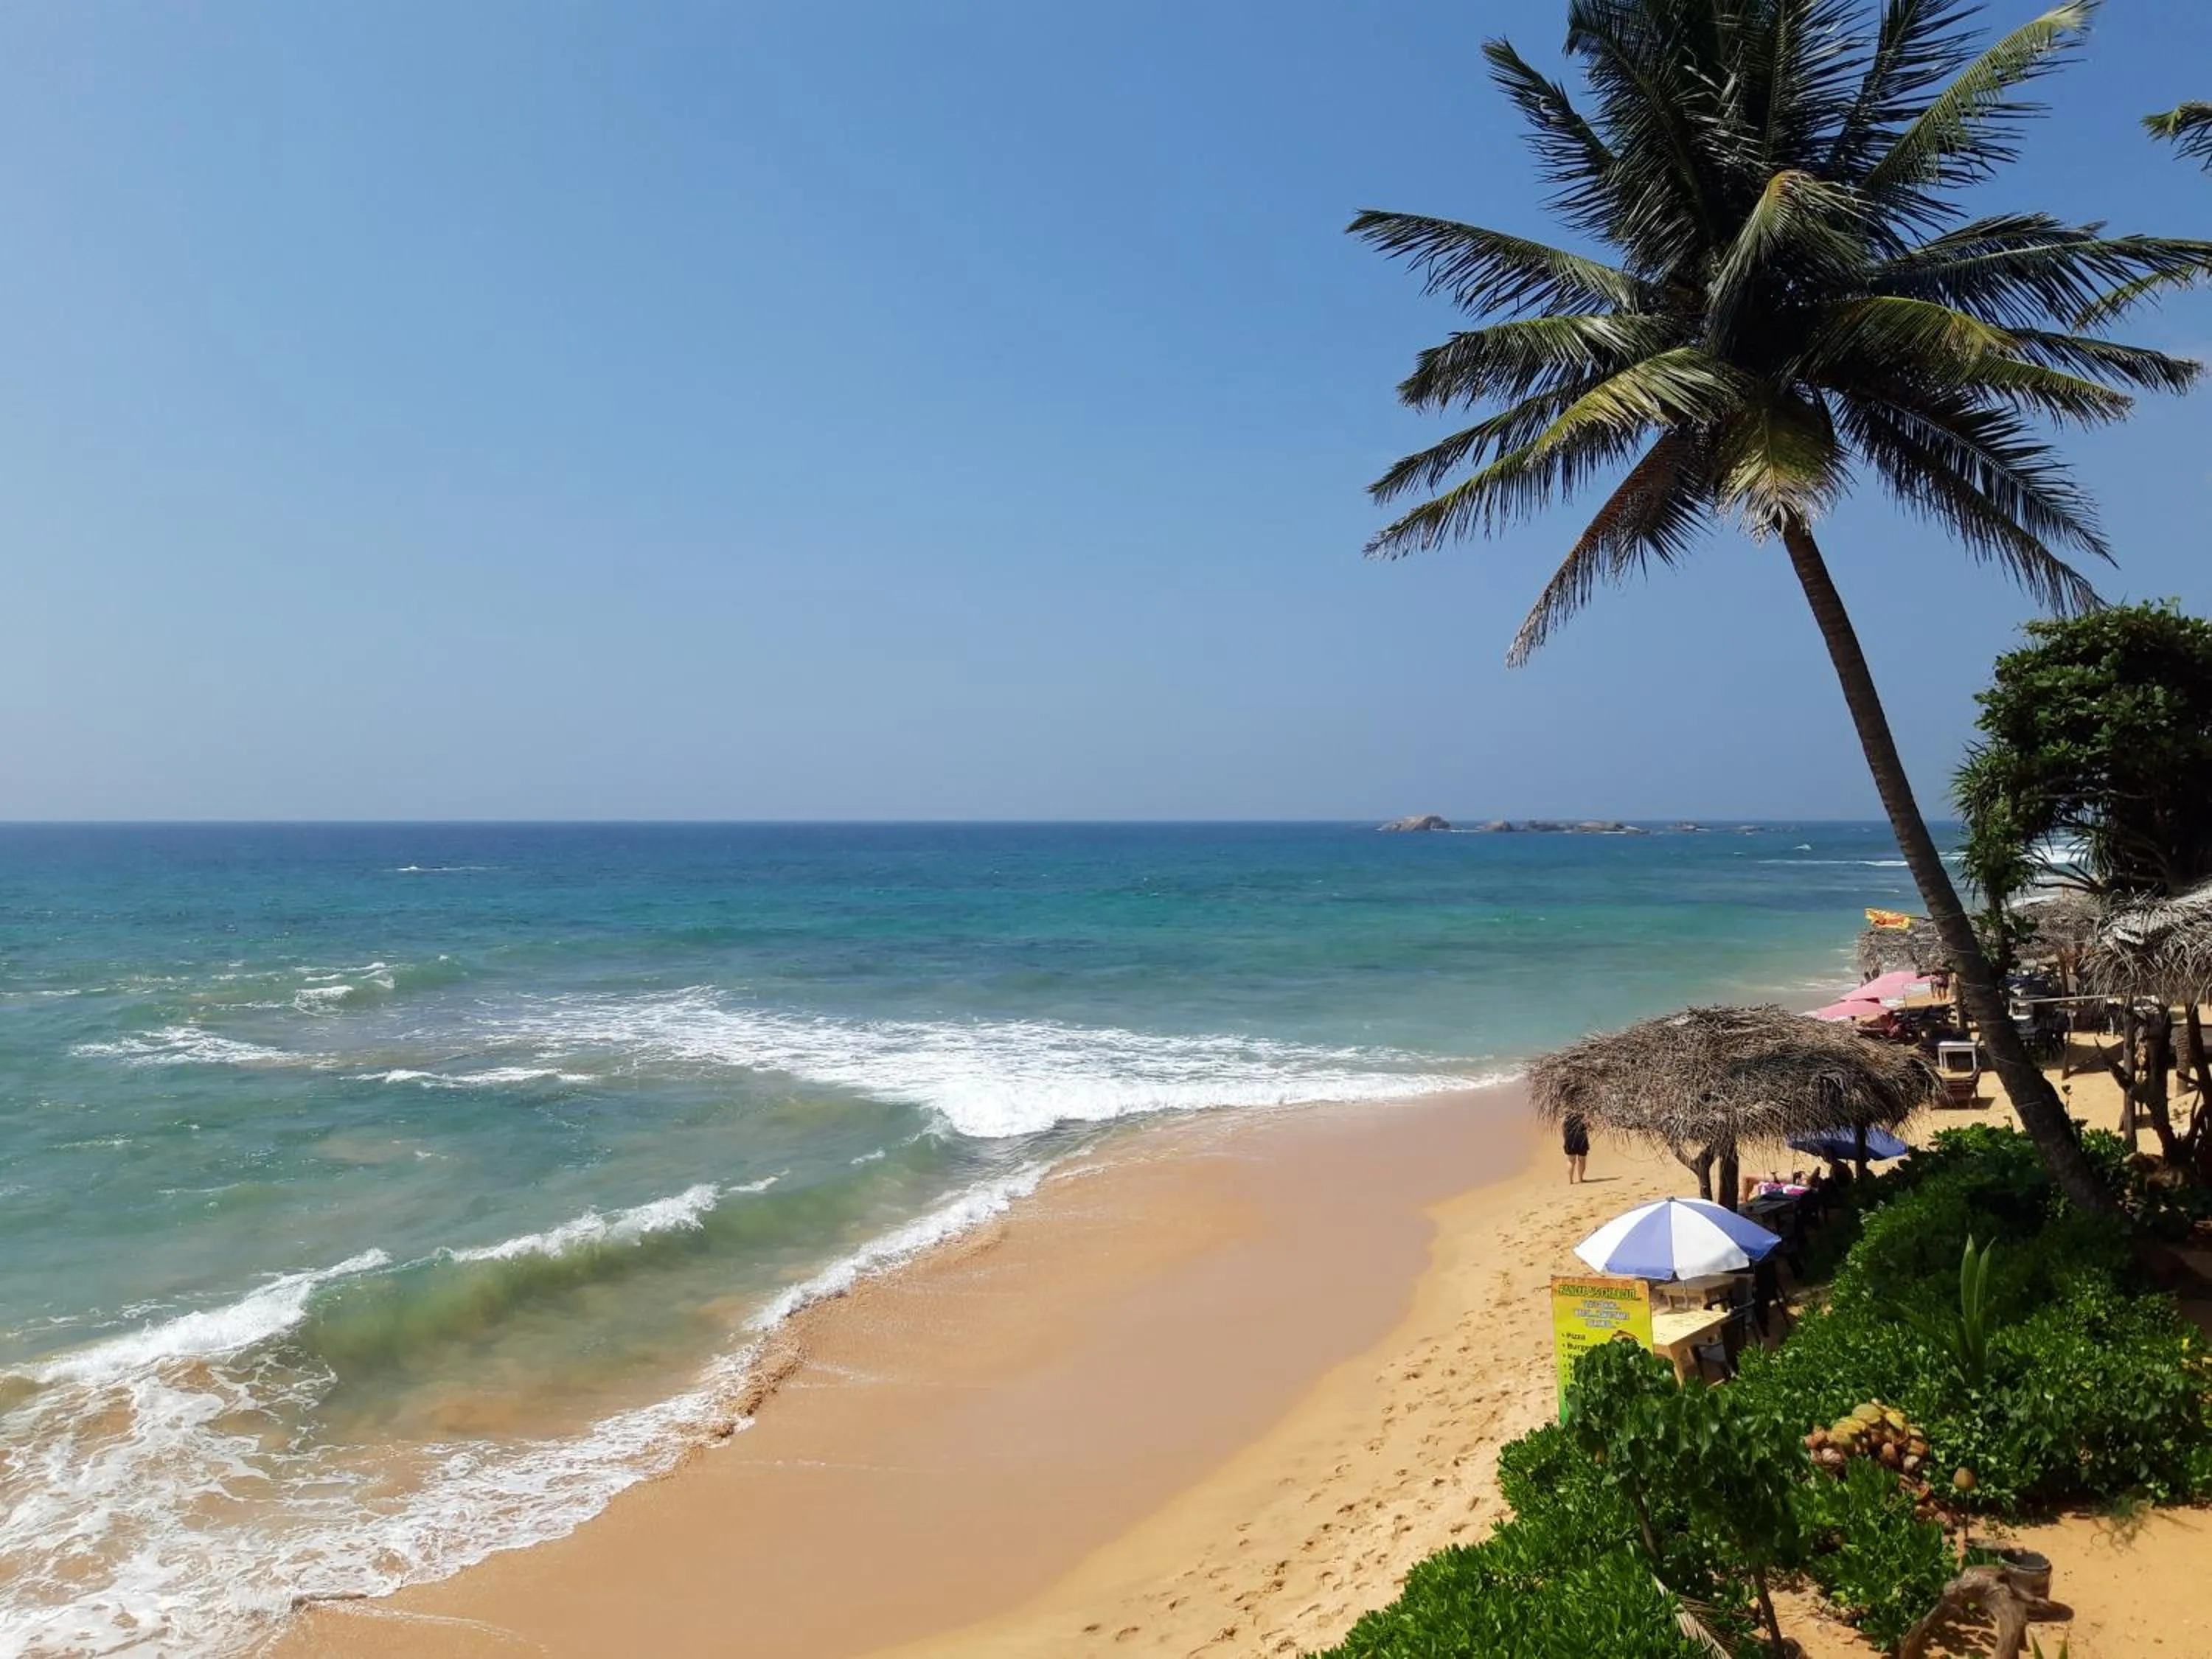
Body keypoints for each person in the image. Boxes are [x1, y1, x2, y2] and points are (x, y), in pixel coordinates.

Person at [1562, 1110, 1590, 1184]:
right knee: (1582, 1160)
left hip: (1570, 1139)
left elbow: (1563, 1128)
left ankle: (1571, 1180)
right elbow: (1588, 1125)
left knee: (1571, 1161)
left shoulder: (1566, 1116)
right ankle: (1580, 1179)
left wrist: (1565, 1138)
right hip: (1581, 1139)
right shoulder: (1583, 1114)